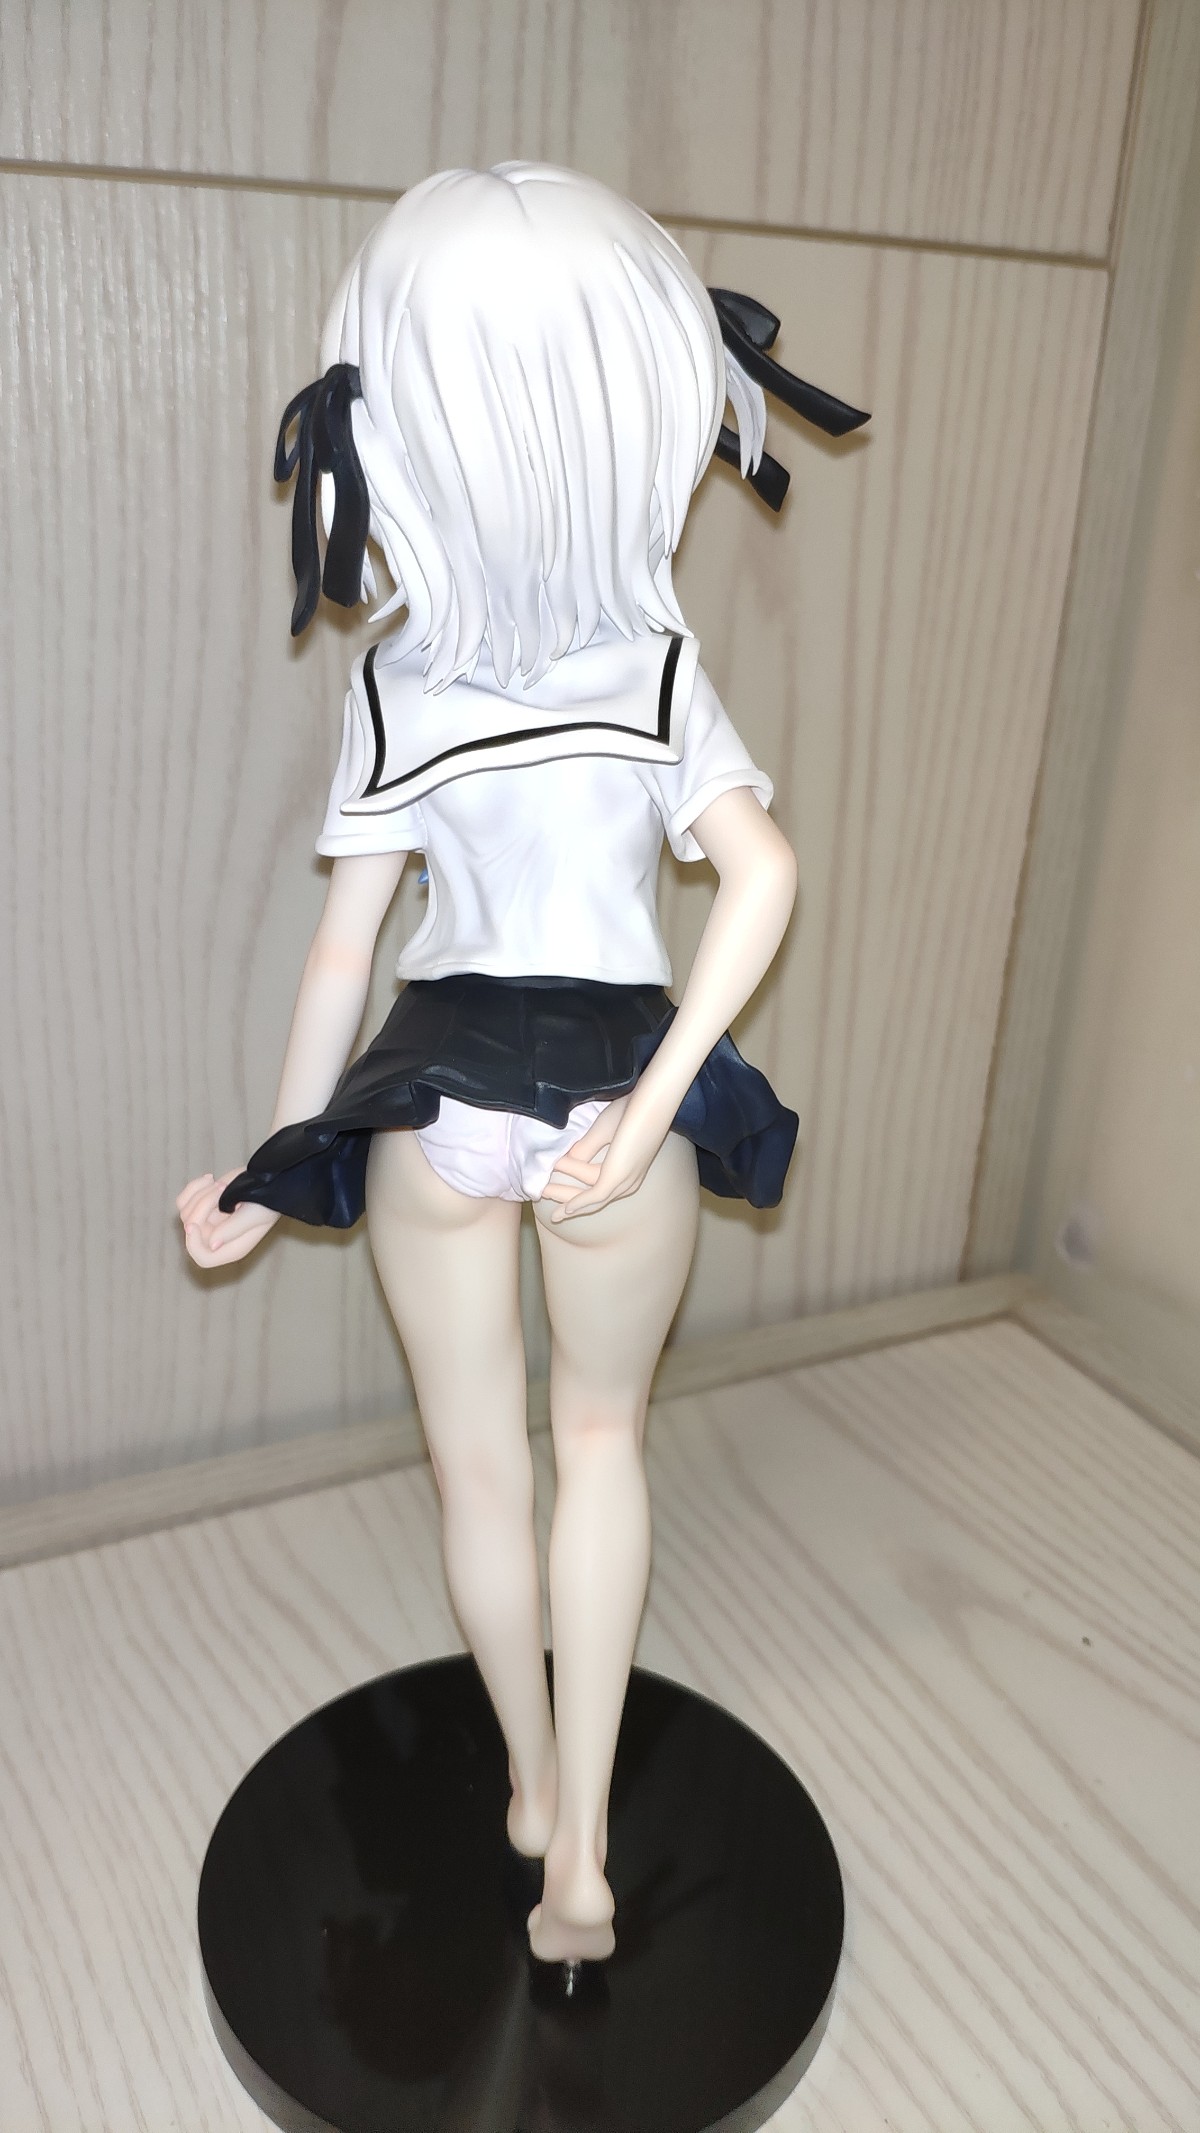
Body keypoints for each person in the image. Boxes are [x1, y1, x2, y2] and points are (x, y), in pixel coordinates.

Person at [177, 162, 863, 1968]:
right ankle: (585, 1870)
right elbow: (765, 877)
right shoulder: (655, 666)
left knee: (478, 1467)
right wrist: (655, 1104)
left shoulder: (401, 681)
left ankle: (536, 1788)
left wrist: (275, 1160)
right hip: (615, 1076)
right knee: (602, 1440)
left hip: (433, 1097)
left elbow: (346, 948)